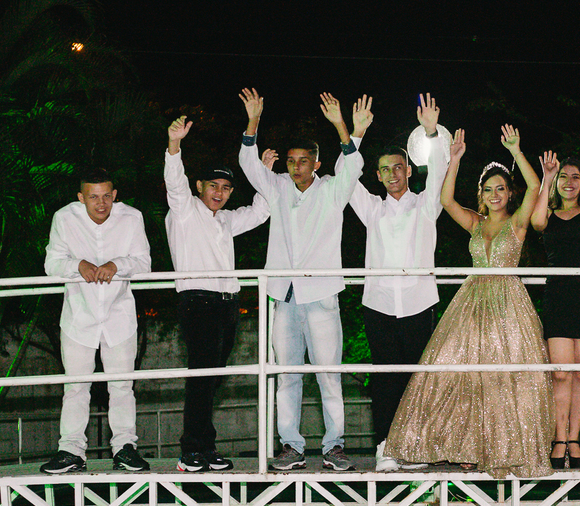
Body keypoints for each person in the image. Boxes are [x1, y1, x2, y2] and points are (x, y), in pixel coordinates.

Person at [384, 125, 553, 478]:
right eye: (488, 189)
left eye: (500, 188)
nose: (494, 194)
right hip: (472, 303)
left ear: (509, 193)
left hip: (508, 305)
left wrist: (516, 151)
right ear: (481, 194)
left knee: (503, 379)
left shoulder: (518, 223)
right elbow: (446, 201)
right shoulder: (476, 223)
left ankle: (504, 449)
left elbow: (535, 187)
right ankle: (465, 446)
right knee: (459, 375)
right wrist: (454, 160)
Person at [237, 89, 370, 472]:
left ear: (316, 163)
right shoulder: (277, 187)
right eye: (292, 161)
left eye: (304, 161)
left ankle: (334, 446)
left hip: (322, 295)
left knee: (329, 374)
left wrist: (342, 125)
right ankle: (291, 447)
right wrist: (253, 121)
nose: (296, 167)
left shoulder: (332, 190)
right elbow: (249, 164)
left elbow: (353, 166)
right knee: (287, 375)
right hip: (284, 296)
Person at [164, 115, 272, 472]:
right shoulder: (184, 210)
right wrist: (174, 144)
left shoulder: (226, 220)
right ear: (199, 186)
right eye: (213, 186)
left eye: (225, 188)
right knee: (201, 378)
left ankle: (205, 447)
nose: (219, 193)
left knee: (212, 381)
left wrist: (263, 173)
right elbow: (174, 182)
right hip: (198, 301)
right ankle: (191, 450)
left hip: (227, 305)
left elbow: (261, 212)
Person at [349, 94, 449, 472]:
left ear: (408, 170)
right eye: (385, 170)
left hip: (419, 302)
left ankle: (416, 446)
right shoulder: (371, 209)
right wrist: (355, 134)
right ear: (377, 175)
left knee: (417, 380)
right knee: (385, 379)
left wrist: (431, 132)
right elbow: (346, 181)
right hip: (379, 304)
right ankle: (386, 447)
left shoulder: (426, 205)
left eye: (397, 168)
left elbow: (438, 174)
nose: (392, 174)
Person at [41, 168, 151, 474]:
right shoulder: (64, 218)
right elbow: (52, 263)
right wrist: (78, 264)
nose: (101, 203)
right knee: (75, 387)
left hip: (119, 316)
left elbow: (144, 263)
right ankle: (70, 451)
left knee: (122, 386)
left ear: (114, 195)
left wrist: (117, 265)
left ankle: (125, 449)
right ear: (81, 197)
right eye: (93, 197)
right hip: (78, 316)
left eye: (106, 196)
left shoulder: (132, 218)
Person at [529, 131, 580, 469]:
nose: (570, 182)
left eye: (576, 177)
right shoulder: (547, 216)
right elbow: (535, 221)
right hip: (559, 298)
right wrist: (547, 178)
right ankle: (558, 437)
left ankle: (574, 438)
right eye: (565, 176)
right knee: (561, 373)